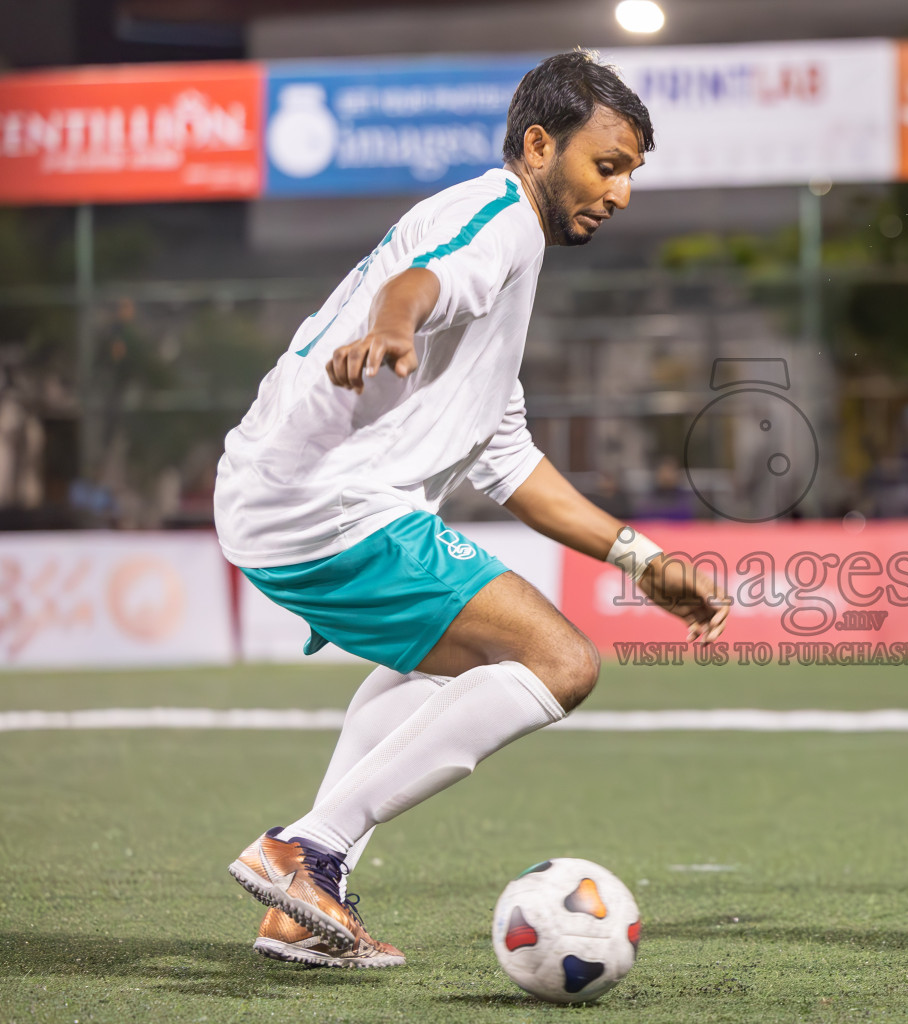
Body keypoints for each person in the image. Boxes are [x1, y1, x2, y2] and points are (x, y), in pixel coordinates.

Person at [216, 52, 727, 969]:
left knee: (460, 672)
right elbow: (426, 286)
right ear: (539, 143)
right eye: (607, 166)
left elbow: (509, 460)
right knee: (559, 661)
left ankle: (301, 906)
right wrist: (394, 326)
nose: (620, 194)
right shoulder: (499, 223)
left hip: (286, 499)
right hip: (326, 502)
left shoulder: (503, 250)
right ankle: (306, 849)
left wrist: (643, 561)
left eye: (632, 175)